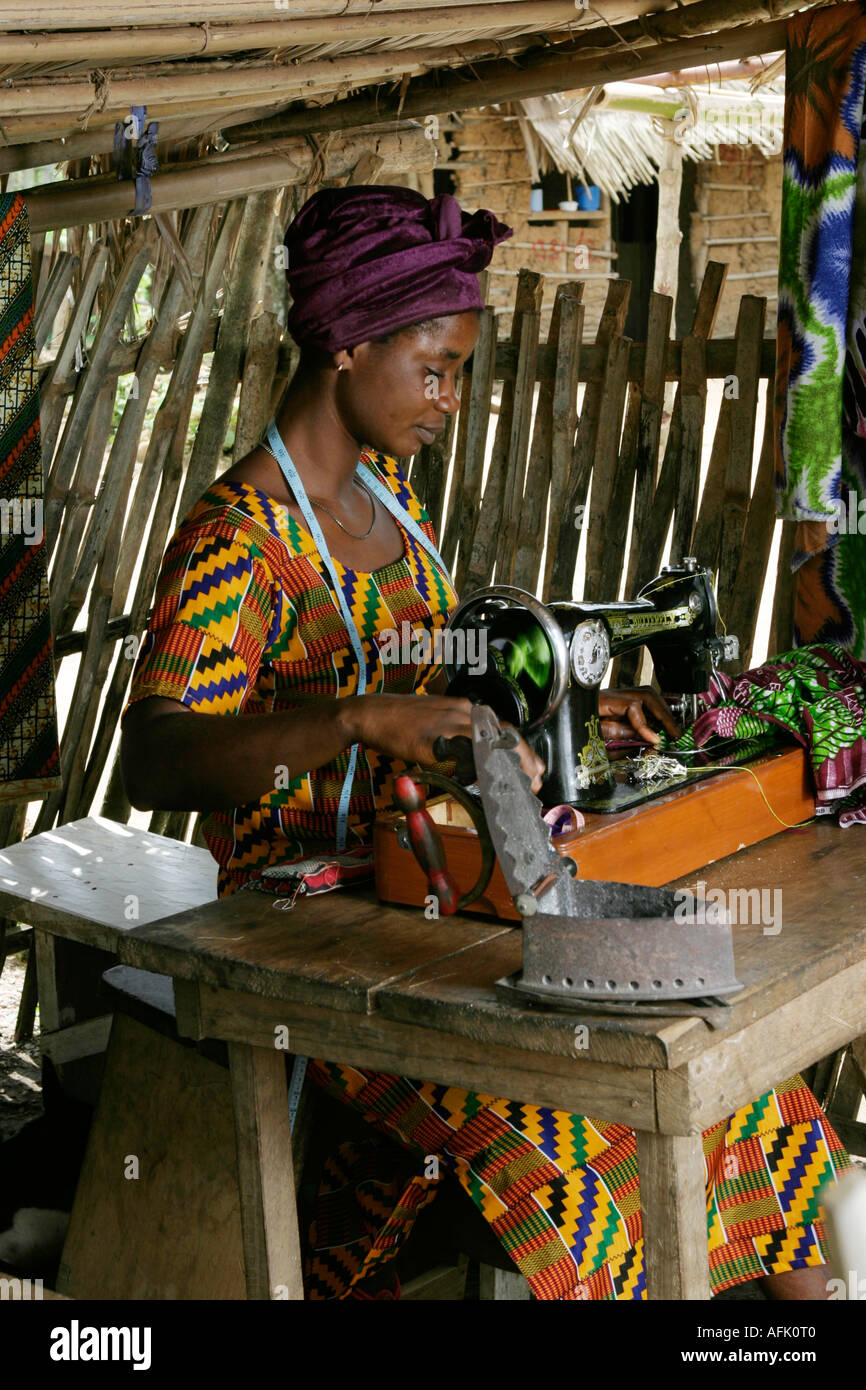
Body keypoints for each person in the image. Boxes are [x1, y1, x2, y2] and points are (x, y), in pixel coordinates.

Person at [120, 185, 850, 1301]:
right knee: (582, 1145)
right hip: (314, 950)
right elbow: (160, 757)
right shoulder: (234, 544)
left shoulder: (392, 505)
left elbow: (442, 682)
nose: (450, 397)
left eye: (458, 368)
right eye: (434, 365)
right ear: (347, 342)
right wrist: (354, 719)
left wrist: (558, 713)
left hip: (438, 904)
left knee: (753, 1101)